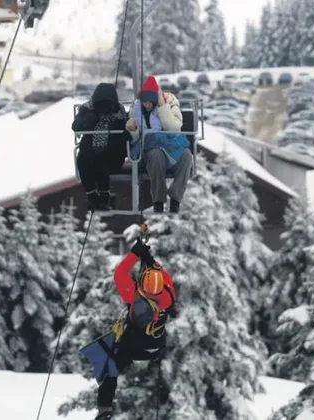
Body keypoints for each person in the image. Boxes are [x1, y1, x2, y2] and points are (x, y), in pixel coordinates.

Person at [80, 238, 176, 420]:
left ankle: (104, 409)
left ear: (142, 283)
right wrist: (150, 261)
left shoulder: (132, 294)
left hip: (131, 347)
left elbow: (120, 272)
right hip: (154, 348)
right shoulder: (167, 298)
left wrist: (135, 254)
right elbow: (166, 279)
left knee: (109, 366)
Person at [126, 75, 193, 213]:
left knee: (186, 155)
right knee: (156, 155)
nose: (148, 105)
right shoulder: (137, 112)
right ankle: (159, 200)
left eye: (151, 102)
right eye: (145, 102)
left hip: (171, 144)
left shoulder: (171, 106)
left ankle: (175, 199)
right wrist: (132, 130)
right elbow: (135, 139)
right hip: (151, 148)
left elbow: (173, 128)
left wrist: (162, 107)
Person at [72, 83, 131, 211]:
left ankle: (103, 197)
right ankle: (93, 196)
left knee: (97, 160)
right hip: (89, 153)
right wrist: (92, 117)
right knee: (84, 159)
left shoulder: (119, 114)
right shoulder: (87, 110)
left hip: (112, 154)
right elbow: (76, 126)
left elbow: (125, 134)